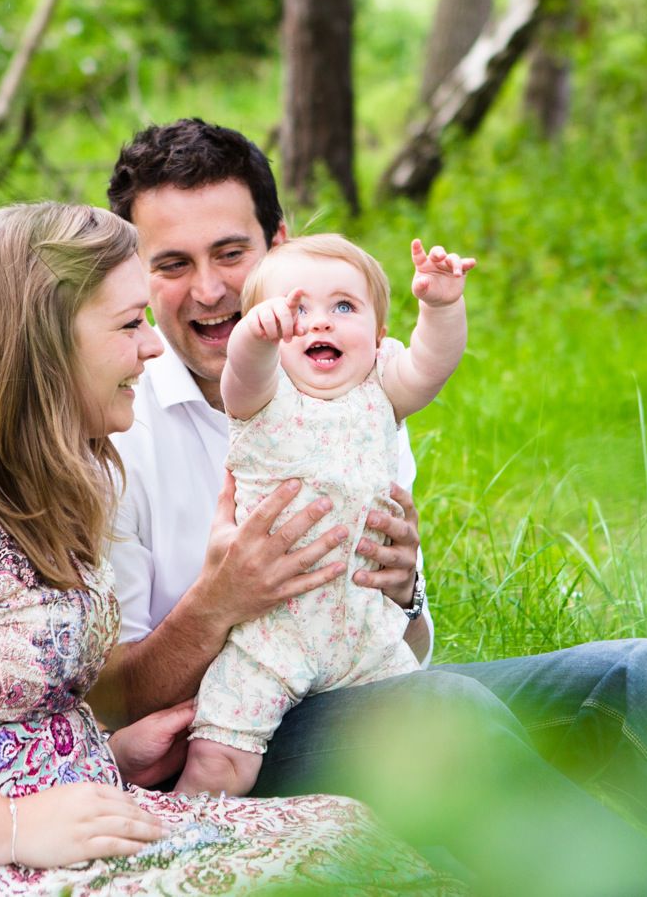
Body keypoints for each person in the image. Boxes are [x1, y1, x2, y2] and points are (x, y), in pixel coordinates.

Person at [104, 118, 647, 897]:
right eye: (171, 263)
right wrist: (218, 602)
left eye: (230, 252)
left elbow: (412, 639)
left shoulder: (357, 387)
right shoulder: (117, 428)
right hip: (232, 734)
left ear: (281, 247)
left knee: (633, 672)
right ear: (139, 276)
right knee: (445, 714)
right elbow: (106, 699)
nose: (209, 289)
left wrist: (403, 588)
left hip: (364, 677)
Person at [0, 203, 458, 895]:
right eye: (131, 322)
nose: (151, 345)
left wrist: (112, 752)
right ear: (41, 339)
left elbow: (20, 689)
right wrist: (17, 824)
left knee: (356, 838)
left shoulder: (31, 467)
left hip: (71, 813)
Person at [177, 234, 475, 796]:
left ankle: (412, 848)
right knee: (219, 760)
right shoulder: (263, 397)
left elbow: (433, 366)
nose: (320, 323)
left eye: (344, 307)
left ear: (379, 335)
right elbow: (240, 371)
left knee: (424, 744)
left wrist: (440, 306)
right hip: (273, 634)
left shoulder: (381, 389)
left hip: (366, 632)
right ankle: (176, 847)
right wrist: (255, 335)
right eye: (297, 308)